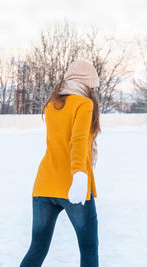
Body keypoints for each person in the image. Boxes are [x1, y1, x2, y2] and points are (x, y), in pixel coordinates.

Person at [20, 60, 101, 267]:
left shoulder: (53, 104)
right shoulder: (84, 104)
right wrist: (79, 175)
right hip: (73, 184)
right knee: (89, 249)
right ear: (88, 84)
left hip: (44, 184)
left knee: (37, 248)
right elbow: (78, 140)